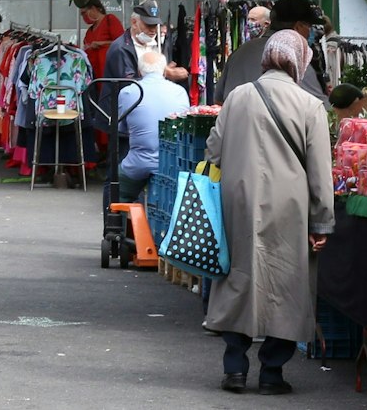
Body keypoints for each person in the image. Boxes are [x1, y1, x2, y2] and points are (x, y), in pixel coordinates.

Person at [203, 30, 334, 395]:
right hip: (289, 209)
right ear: (300, 62)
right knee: (287, 285)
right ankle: (273, 374)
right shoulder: (311, 106)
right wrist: (322, 221)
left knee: (237, 279)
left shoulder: (237, 97)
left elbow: (212, 151)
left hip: (238, 202)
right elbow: (321, 173)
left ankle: (235, 369)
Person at [117, 50, 191, 197]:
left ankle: (116, 217)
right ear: (164, 70)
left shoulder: (129, 92)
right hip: (172, 164)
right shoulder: (180, 92)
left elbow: (121, 128)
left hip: (138, 164)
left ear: (139, 70)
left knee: (115, 190)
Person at [78, 0, 124, 82]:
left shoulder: (110, 20)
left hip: (110, 73)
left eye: (84, 13)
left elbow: (122, 42)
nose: (83, 17)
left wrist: (101, 43)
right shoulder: (89, 31)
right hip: (94, 76)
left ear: (94, 8)